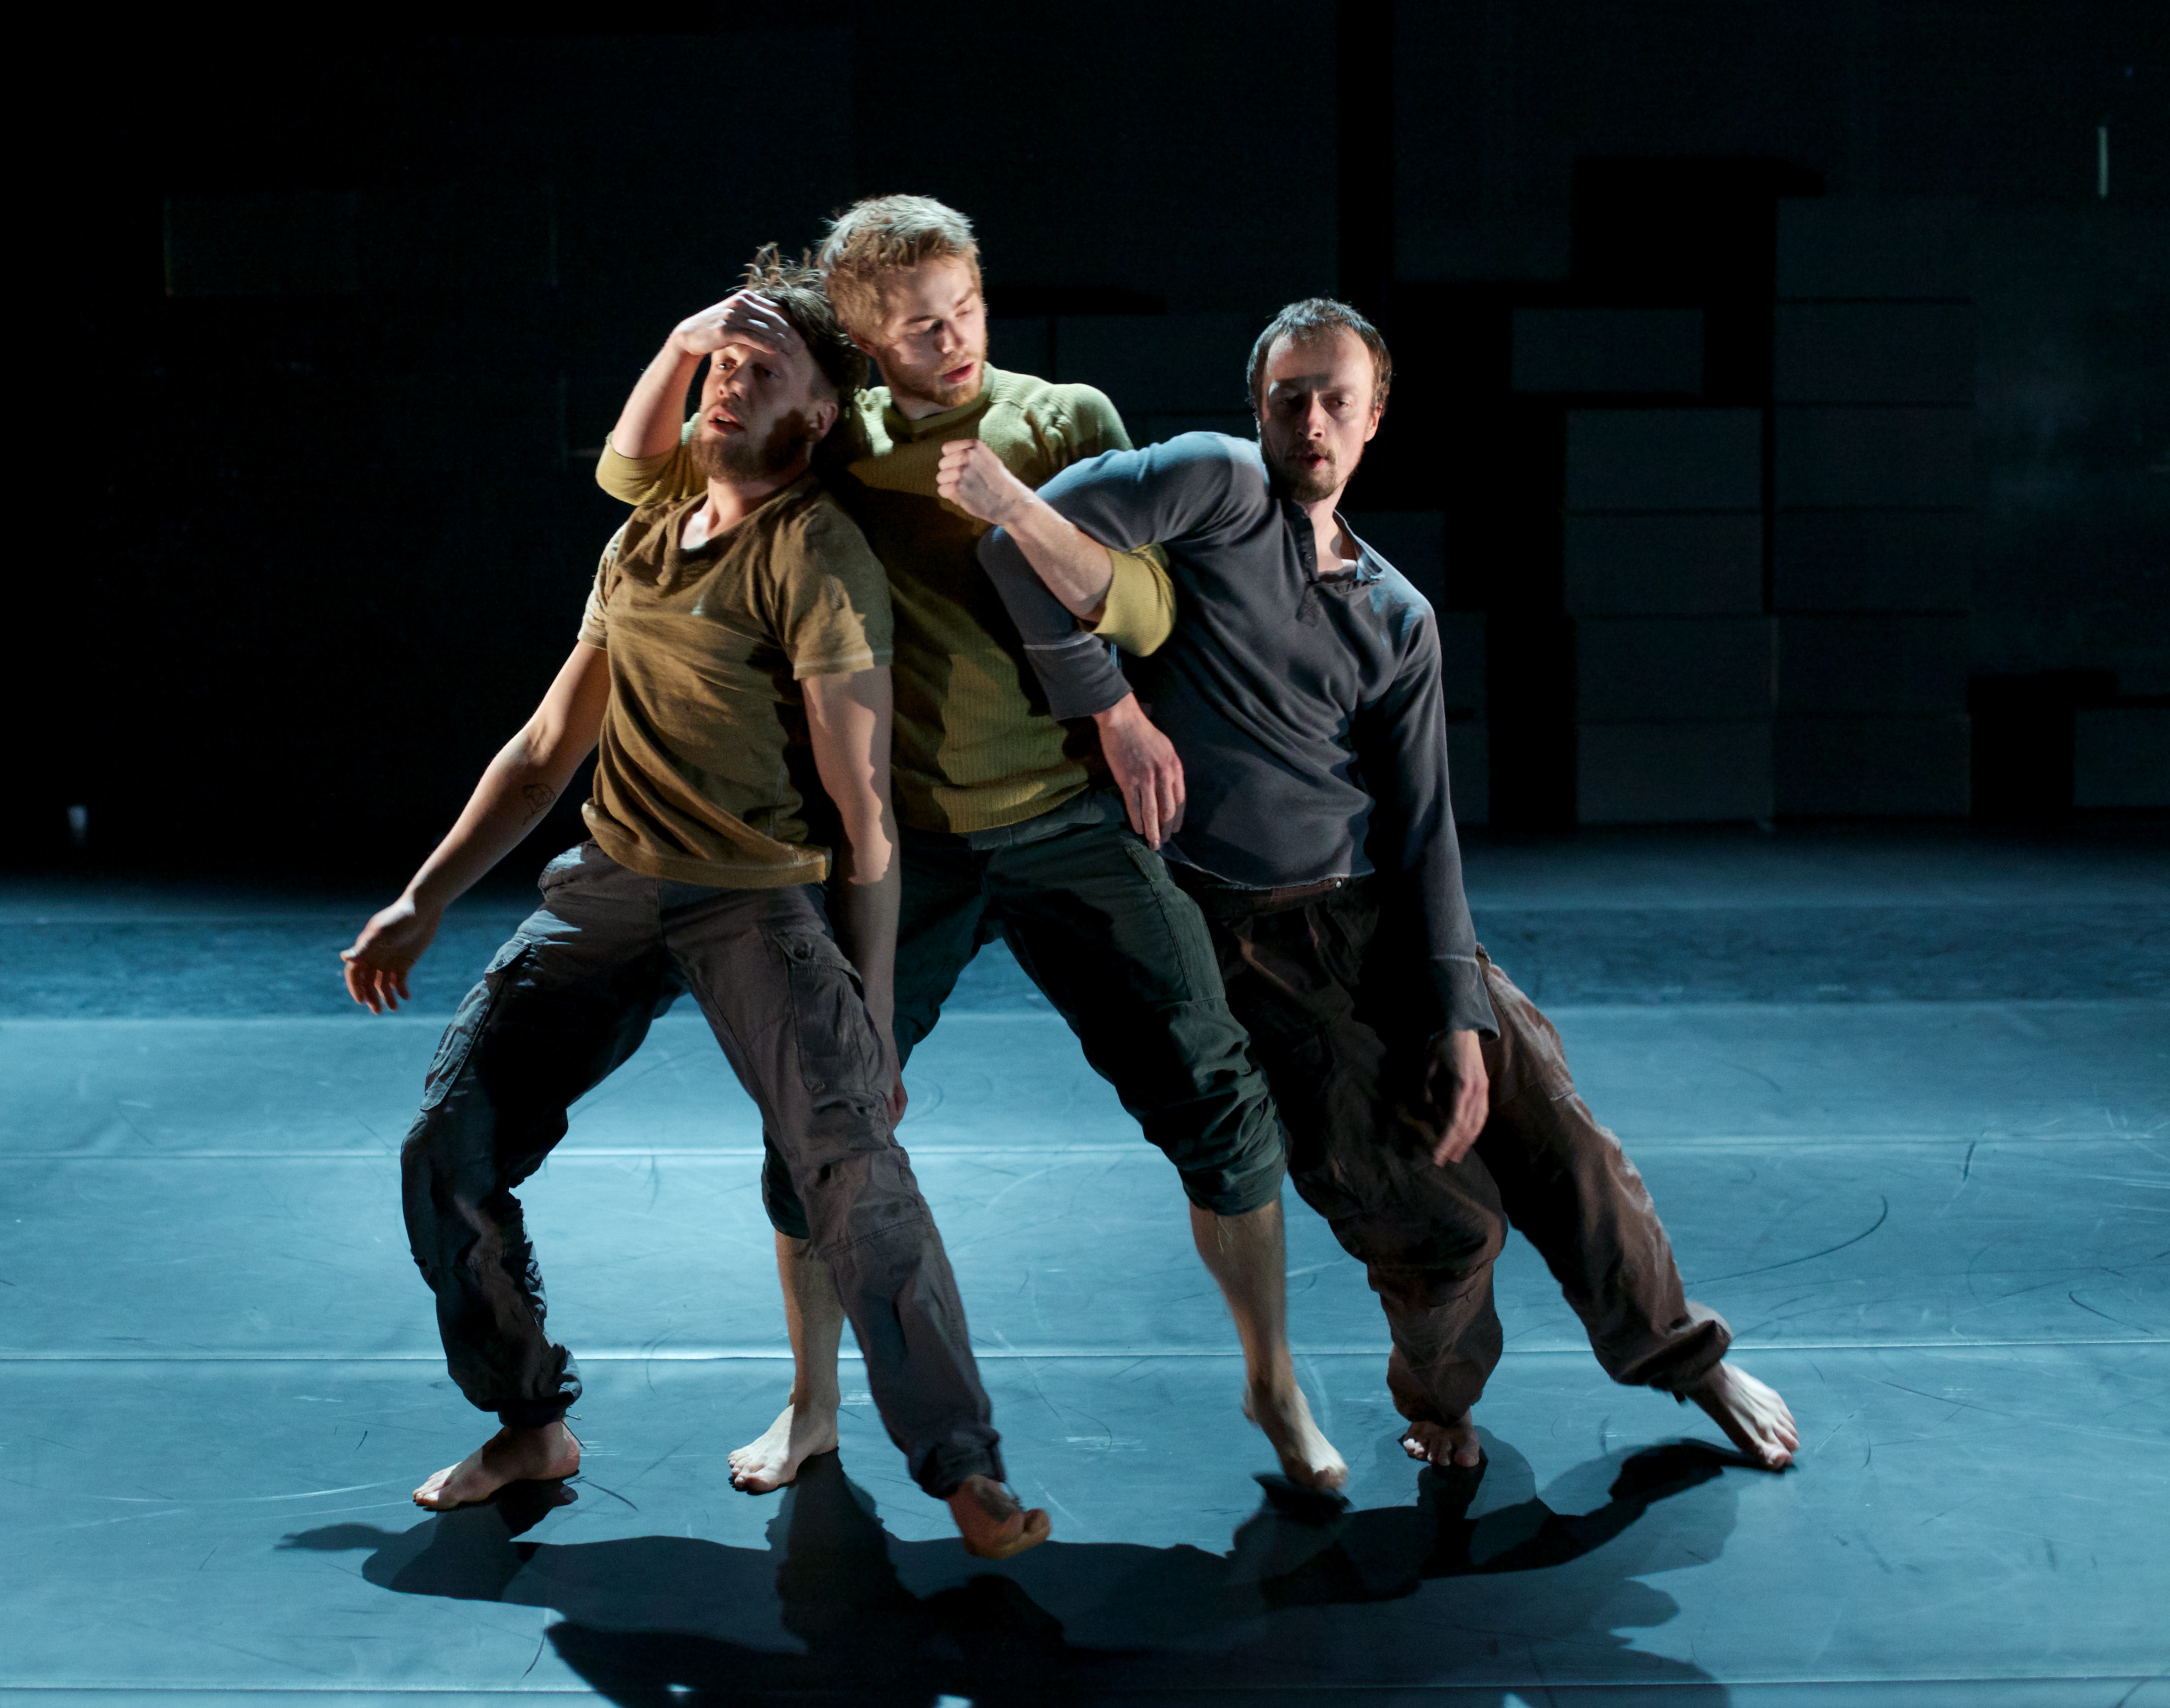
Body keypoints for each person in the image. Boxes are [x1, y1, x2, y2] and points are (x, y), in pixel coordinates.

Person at [949, 296, 1800, 1472]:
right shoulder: (1211, 484)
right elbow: (1010, 541)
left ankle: (1685, 1360)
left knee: (1572, 1152)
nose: (1310, 421)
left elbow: (1423, 826)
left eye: (1335, 400)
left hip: (1382, 911)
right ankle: (1441, 1403)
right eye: (1288, 397)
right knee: (1438, 1222)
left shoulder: (1398, 614)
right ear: (1259, 408)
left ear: (1373, 417)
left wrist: (1456, 1010)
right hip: (1256, 940)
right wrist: (1111, 709)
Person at [598, 197, 1362, 1499]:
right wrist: (683, 345)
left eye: (966, 311)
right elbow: (636, 481)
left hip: (1070, 821)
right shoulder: (833, 441)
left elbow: (1142, 607)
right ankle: (812, 1402)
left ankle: (1274, 1384)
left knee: (1216, 1099)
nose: (953, 342)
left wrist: (1014, 507)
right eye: (917, 329)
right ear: (862, 341)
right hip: (908, 846)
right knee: (817, 1123)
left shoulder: (1061, 419)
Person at [340, 250, 1047, 1559]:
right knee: (447, 1148)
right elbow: (544, 749)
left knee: (851, 1171)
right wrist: (422, 899)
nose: (727, 385)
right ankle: (529, 1422)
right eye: (720, 365)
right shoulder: (646, 535)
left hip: (753, 900)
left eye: (759, 371)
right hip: (610, 885)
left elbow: (864, 813)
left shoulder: (816, 554)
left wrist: (872, 1003)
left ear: (818, 412)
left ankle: (962, 1466)